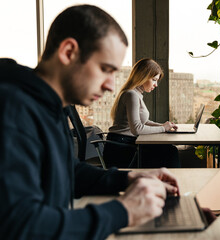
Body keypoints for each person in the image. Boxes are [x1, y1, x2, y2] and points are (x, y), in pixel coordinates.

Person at [0, 5, 179, 240]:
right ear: (68, 52)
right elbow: (22, 227)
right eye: (105, 69)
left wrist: (126, 178)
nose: (111, 85)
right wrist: (124, 211)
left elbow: (68, 171)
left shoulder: (50, 105)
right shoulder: (13, 109)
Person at [104, 58, 181, 168]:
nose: (156, 85)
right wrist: (163, 128)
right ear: (143, 76)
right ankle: (174, 183)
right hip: (121, 149)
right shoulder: (132, 95)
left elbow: (143, 122)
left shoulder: (136, 94)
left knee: (168, 150)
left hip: (125, 143)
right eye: (154, 80)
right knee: (170, 152)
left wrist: (163, 125)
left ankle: (168, 183)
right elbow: (136, 129)